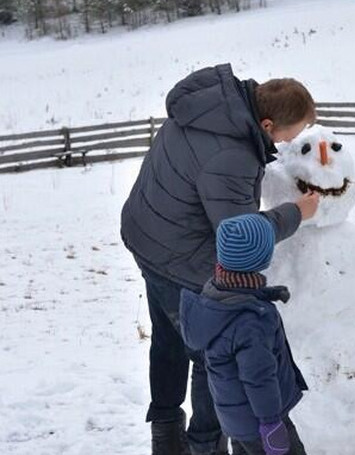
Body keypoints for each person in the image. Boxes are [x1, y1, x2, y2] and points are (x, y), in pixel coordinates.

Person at [120, 63, 319, 455]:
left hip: (147, 234)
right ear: (266, 124)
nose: (286, 145)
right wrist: (297, 213)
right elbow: (236, 235)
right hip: (181, 259)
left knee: (169, 341)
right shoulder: (232, 155)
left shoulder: (211, 107)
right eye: (288, 136)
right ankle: (204, 445)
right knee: (213, 352)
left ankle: (166, 436)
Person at [180, 213, 308, 455]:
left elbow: (238, 300)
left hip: (235, 418)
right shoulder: (251, 324)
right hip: (260, 422)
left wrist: (264, 294)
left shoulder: (217, 294)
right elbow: (259, 377)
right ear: (261, 258)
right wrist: (270, 424)